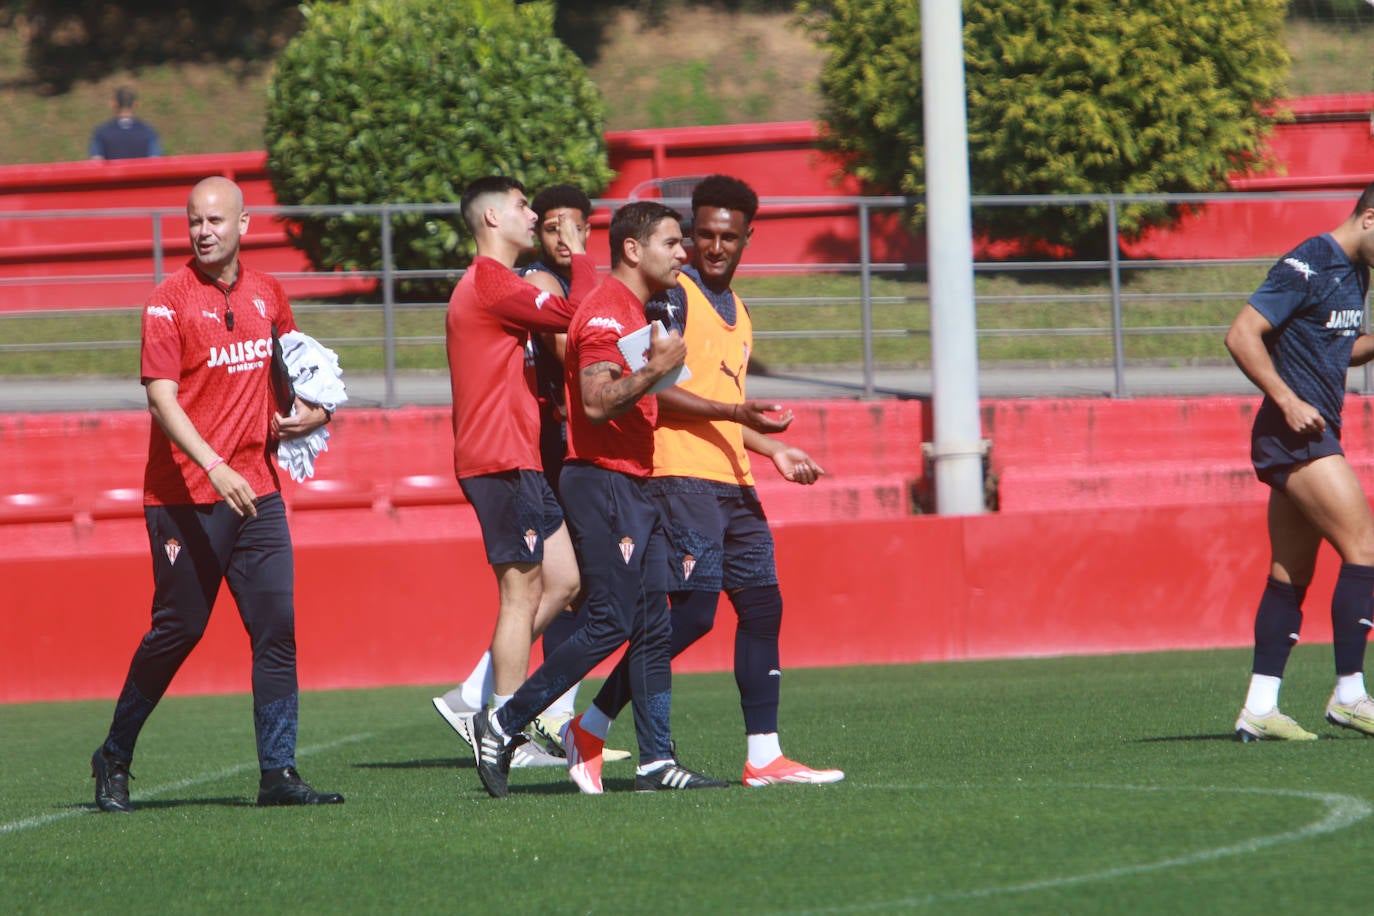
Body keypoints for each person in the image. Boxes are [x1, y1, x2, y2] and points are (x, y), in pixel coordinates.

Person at [574, 175, 845, 786]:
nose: (714, 247)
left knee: (762, 605)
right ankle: (590, 722)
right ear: (689, 236)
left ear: (749, 237)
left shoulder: (742, 313)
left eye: (728, 236)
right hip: (681, 478)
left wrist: (772, 449)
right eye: (702, 235)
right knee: (693, 616)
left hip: (736, 480)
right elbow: (658, 397)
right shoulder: (674, 300)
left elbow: (727, 407)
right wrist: (736, 416)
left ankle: (763, 757)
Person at [90, 176, 342, 812]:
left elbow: (290, 374)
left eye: (215, 221)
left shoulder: (268, 293)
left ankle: (278, 774)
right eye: (194, 221)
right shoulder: (166, 302)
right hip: (186, 498)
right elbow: (160, 398)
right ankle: (113, 755)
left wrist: (314, 414)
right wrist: (214, 465)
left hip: (258, 492)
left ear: (244, 225)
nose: (203, 231)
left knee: (276, 629)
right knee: (179, 629)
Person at [469, 201, 729, 797]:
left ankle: (657, 761)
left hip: (634, 480)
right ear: (633, 250)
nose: (683, 253)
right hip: (603, 481)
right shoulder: (607, 312)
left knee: (654, 624)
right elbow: (593, 401)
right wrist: (653, 369)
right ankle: (504, 722)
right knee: (611, 619)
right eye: (671, 242)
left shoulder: (634, 310)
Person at [436, 177, 592, 766]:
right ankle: (502, 727)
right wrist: (580, 250)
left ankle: (486, 705)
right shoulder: (492, 282)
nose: (535, 217)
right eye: (526, 208)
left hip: (518, 459)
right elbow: (578, 315)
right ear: (494, 217)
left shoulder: (494, 285)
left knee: (567, 583)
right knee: (520, 594)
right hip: (499, 460)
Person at [1226, 180, 1374, 741]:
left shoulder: (1358, 273)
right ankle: (1350, 695)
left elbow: (1342, 347)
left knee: (1290, 574)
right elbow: (1242, 334)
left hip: (1305, 434)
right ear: (1368, 219)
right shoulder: (1312, 259)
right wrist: (1287, 400)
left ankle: (1259, 708)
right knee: (1365, 548)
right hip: (1296, 435)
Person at [89, 86, 163, 160]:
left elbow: (97, 162)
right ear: (136, 104)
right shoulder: (148, 131)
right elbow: (155, 161)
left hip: (113, 172)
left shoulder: (102, 132)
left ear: (114, 103)